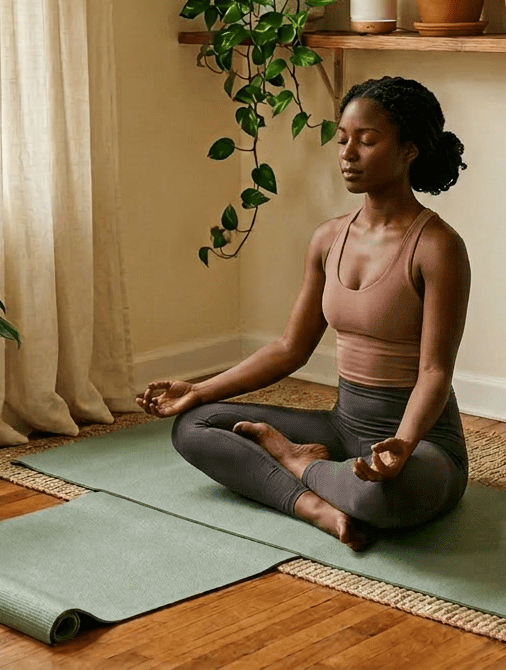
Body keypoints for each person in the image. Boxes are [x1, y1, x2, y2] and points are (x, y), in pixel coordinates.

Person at [136, 75, 472, 551]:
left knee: (385, 499)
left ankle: (298, 465)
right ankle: (315, 505)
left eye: (367, 140)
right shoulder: (328, 237)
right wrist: (198, 389)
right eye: (342, 140)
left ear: (408, 151)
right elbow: (291, 347)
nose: (348, 153)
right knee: (193, 426)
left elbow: (436, 371)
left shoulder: (438, 247)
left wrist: (403, 444)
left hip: (422, 443)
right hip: (343, 426)